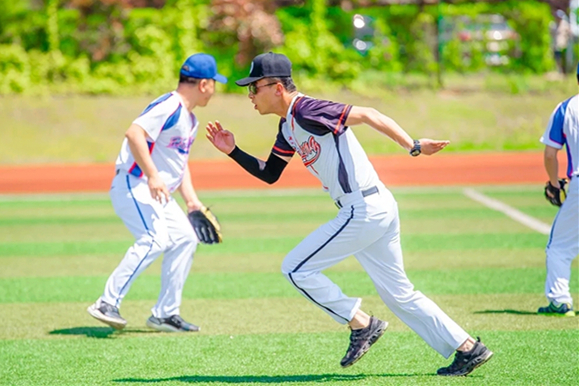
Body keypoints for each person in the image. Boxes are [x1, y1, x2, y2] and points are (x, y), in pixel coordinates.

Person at [205, 52, 493, 376]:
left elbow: (369, 114)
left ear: (276, 87)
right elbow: (271, 173)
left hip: (364, 208)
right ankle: (468, 348)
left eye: (254, 88)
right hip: (372, 207)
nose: (249, 95)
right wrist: (233, 151)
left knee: (295, 268)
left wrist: (412, 145)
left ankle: (361, 323)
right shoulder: (288, 126)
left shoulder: (307, 108)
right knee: (399, 294)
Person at [87, 53, 227, 332]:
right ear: (203, 84)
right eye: (214, 82)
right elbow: (134, 133)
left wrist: (192, 202)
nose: (215, 88)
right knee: (155, 239)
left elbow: (179, 163)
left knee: (186, 238)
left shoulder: (191, 120)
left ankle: (164, 314)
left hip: (156, 192)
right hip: (134, 183)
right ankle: (106, 302)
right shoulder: (170, 105)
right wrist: (152, 175)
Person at [538, 62, 579, 317]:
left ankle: (560, 300)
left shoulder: (566, 108)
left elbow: (551, 153)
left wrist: (554, 183)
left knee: (559, 247)